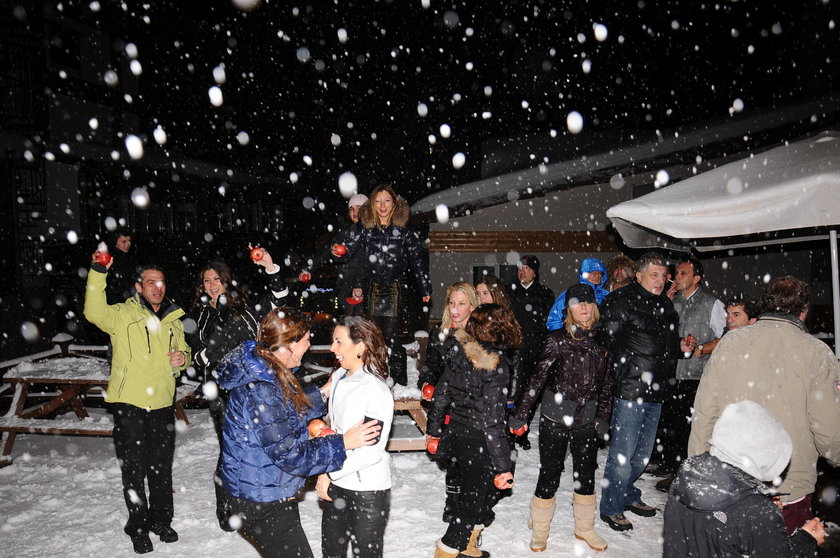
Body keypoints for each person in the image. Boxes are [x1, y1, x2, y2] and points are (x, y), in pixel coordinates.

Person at [216, 307, 381, 558]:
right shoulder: (263, 389)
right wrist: (342, 443)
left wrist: (322, 393)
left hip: (264, 487)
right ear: (289, 345)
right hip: (261, 498)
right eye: (306, 340)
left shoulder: (265, 369)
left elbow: (283, 413)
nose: (309, 345)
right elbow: (291, 455)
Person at [688, 276, 840, 534]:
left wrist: (697, 467)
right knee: (783, 547)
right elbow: (829, 430)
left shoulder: (731, 343)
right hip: (786, 484)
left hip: (731, 479)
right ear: (803, 311)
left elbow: (705, 411)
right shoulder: (817, 353)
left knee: (732, 547)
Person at [84, 258, 191, 554]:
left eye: (161, 282)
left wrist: (183, 358)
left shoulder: (173, 318)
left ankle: (161, 521)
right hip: (129, 404)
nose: (157, 288)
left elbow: (183, 351)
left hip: (162, 404)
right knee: (134, 469)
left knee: (161, 468)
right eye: (150, 282)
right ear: (139, 287)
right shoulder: (122, 314)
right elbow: (93, 311)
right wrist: (98, 272)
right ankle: (138, 526)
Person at [189, 250, 291, 531]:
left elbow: (279, 300)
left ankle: (258, 500)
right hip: (220, 391)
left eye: (216, 279)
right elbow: (197, 357)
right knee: (230, 449)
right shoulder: (198, 316)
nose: (212, 285)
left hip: (253, 389)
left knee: (258, 444)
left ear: (226, 281)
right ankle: (226, 505)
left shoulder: (245, 310)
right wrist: (219, 345)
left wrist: (270, 267)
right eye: (207, 280)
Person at [509, 283, 614, 552]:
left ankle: (585, 528)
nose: (583, 307)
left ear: (594, 307)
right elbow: (537, 379)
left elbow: (607, 384)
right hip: (556, 416)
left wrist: (603, 416)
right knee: (550, 473)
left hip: (587, 418)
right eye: (577, 303)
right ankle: (540, 529)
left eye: (588, 302)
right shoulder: (556, 339)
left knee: (585, 474)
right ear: (568, 308)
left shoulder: (603, 340)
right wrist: (521, 414)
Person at [665, 400, 825, 557]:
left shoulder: (685, 477)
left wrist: (758, 505)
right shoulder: (757, 513)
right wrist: (806, 540)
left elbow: (706, 532)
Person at [598, 251, 684, 532]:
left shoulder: (666, 305)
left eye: (663, 275)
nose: (660, 281)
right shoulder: (620, 300)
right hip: (630, 388)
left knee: (643, 455)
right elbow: (605, 339)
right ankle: (612, 506)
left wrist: (680, 347)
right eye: (654, 275)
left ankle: (627, 493)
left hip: (657, 390)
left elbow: (668, 344)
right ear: (639, 275)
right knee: (623, 455)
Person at [426, 304, 519, 558]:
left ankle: (468, 545)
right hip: (479, 441)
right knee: (471, 504)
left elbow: (441, 395)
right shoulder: (496, 366)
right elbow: (492, 421)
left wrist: (434, 431)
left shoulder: (458, 353)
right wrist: (503, 466)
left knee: (479, 496)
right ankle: (446, 550)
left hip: (456, 434)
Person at [338, 185, 432, 386]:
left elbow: (417, 259)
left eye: (387, 200)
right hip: (373, 286)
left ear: (394, 203)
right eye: (378, 201)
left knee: (390, 334)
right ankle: (376, 376)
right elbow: (348, 249)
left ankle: (399, 379)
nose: (382, 205)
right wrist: (339, 251)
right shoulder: (366, 227)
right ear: (372, 204)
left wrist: (425, 287)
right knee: (373, 334)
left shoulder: (403, 229)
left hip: (394, 286)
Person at [316, 316, 394, 558]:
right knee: (331, 552)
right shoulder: (340, 376)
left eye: (339, 342)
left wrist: (328, 473)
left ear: (360, 346)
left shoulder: (375, 389)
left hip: (367, 491)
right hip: (338, 485)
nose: (332, 348)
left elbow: (371, 452)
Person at [654, 257, 725, 492]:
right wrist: (665, 303)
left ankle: (682, 471)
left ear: (696, 278)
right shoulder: (670, 301)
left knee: (688, 427)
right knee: (668, 422)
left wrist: (701, 348)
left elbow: (724, 337)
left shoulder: (712, 304)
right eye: (676, 273)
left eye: (683, 273)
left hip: (696, 375)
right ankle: (668, 463)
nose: (677, 277)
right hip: (670, 372)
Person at [506, 255, 555, 450]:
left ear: (534, 272)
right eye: (520, 268)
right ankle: (510, 431)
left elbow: (550, 324)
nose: (522, 272)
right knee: (513, 394)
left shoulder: (544, 294)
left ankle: (522, 432)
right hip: (514, 352)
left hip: (536, 353)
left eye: (526, 269)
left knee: (531, 395)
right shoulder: (509, 292)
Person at [299, 193, 368, 315]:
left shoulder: (375, 233)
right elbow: (325, 252)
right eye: (351, 208)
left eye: (359, 208)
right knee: (348, 323)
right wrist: (308, 268)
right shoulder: (345, 233)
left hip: (368, 291)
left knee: (365, 324)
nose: (355, 212)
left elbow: (367, 263)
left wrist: (359, 284)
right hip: (347, 289)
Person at [417, 282, 479, 395]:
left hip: (474, 397)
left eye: (461, 304)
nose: (454, 309)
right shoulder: (438, 332)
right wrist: (427, 382)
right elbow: (433, 365)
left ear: (472, 306)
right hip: (445, 395)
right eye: (452, 303)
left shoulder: (481, 332)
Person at [545, 257, 609, 330]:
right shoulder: (570, 294)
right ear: (584, 274)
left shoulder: (606, 295)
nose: (597, 276)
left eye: (600, 273)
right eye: (592, 272)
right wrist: (564, 335)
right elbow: (554, 320)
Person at [105, 229, 138, 304]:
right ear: (115, 243)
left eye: (129, 241)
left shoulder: (131, 257)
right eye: (123, 242)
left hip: (129, 296)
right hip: (116, 298)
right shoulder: (111, 258)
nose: (127, 244)